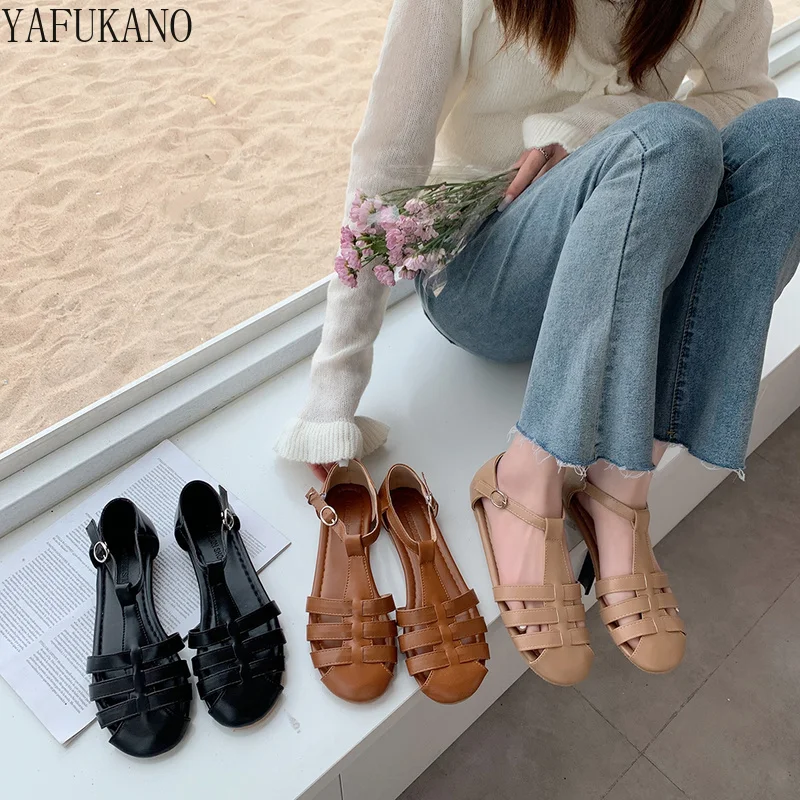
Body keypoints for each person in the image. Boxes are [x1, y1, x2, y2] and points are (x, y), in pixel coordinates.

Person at [276, 0, 800, 684]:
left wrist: (593, 136)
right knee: (670, 139)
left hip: (625, 239)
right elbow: (389, 160)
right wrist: (334, 388)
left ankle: (622, 480)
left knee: (786, 141)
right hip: (483, 265)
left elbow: (745, 95)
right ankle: (524, 475)